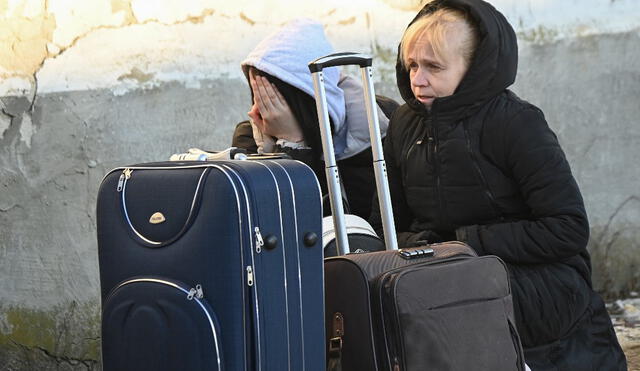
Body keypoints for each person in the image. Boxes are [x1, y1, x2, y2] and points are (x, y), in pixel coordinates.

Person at [369, 0, 628, 369]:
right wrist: (421, 247)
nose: (417, 79)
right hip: (446, 273)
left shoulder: (517, 124)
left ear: (473, 68)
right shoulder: (404, 126)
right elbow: (385, 223)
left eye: (433, 67)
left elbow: (567, 228)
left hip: (537, 283)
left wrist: (465, 243)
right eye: (412, 64)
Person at [231, 18, 398, 220]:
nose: (257, 110)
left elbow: (344, 223)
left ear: (305, 99)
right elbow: (275, 225)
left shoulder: (377, 124)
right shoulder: (249, 138)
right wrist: (286, 147)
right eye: (256, 94)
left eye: (270, 98)